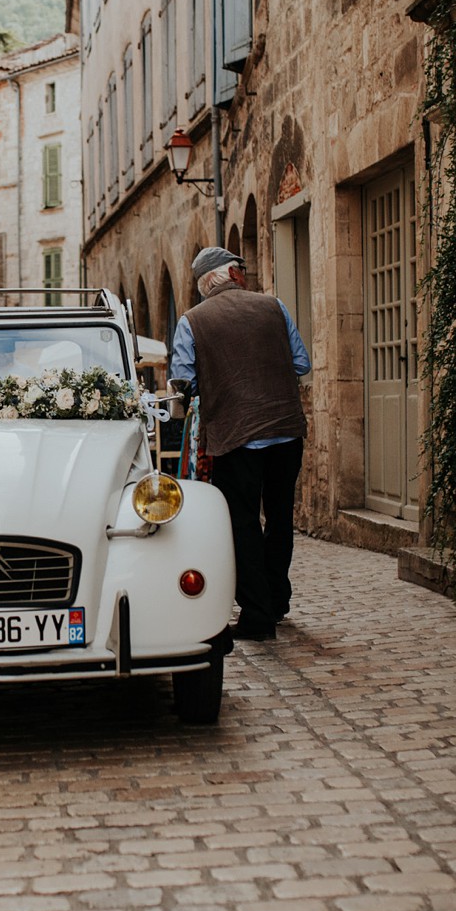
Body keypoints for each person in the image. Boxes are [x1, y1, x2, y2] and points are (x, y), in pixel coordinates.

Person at [169, 246, 310, 640]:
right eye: (241, 270)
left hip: (235, 437)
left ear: (207, 283)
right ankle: (278, 599)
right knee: (280, 517)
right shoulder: (274, 306)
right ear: (231, 275)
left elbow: (185, 382)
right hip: (285, 431)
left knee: (243, 523)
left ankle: (258, 616)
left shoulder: (192, 321)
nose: (245, 276)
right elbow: (301, 364)